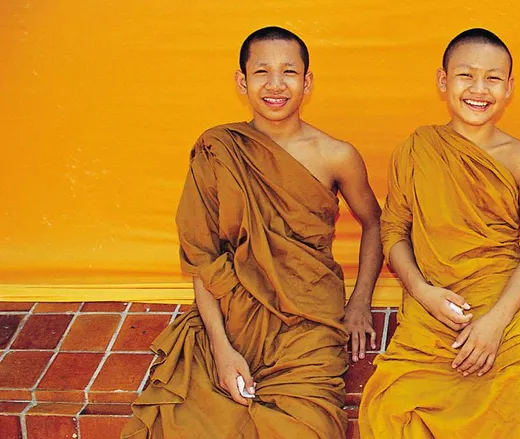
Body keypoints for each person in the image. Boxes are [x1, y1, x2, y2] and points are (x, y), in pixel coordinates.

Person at [123, 26, 383, 439]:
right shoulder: (219, 149)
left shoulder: (336, 155)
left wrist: (360, 302)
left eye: (289, 72)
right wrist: (223, 351)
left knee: (309, 428)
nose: (275, 85)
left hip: (310, 317)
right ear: (242, 81)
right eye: (262, 72)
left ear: (307, 82)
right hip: (235, 312)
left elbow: (374, 222)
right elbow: (202, 257)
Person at [358, 28, 520, 439]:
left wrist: (495, 323)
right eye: (466, 75)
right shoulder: (416, 149)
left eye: (493, 78)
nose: (479, 89)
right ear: (442, 81)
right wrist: (423, 292)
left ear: (509, 88)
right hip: (432, 309)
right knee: (389, 413)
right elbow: (394, 231)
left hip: (503, 306)